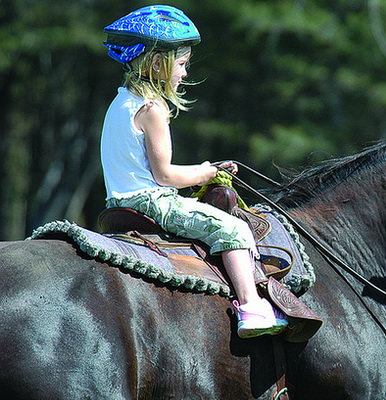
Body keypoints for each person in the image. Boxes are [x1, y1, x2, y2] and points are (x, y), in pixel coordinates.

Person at [100, 5, 286, 338]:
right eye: (181, 64)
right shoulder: (152, 108)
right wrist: (206, 174)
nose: (184, 73)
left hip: (117, 202)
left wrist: (205, 170)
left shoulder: (120, 101)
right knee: (234, 230)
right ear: (158, 63)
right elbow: (165, 177)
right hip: (151, 201)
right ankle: (251, 306)